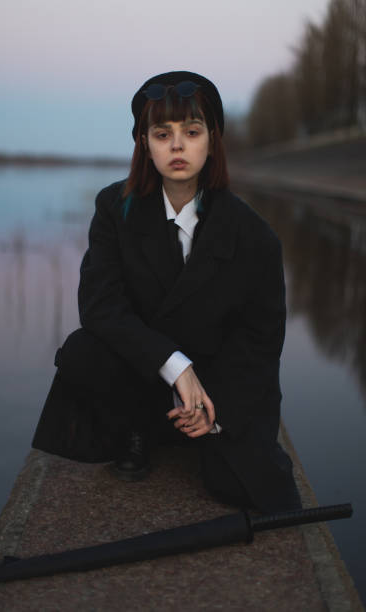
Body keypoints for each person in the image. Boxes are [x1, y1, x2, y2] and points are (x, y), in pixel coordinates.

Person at [32, 71, 301, 513]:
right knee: (84, 351)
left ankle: (197, 428)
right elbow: (101, 306)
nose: (177, 146)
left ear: (211, 141)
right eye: (163, 134)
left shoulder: (255, 237)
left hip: (214, 385)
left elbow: (260, 341)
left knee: (237, 486)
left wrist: (216, 410)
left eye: (191, 132)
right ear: (144, 143)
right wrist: (175, 367)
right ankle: (136, 428)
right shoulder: (113, 208)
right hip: (146, 375)